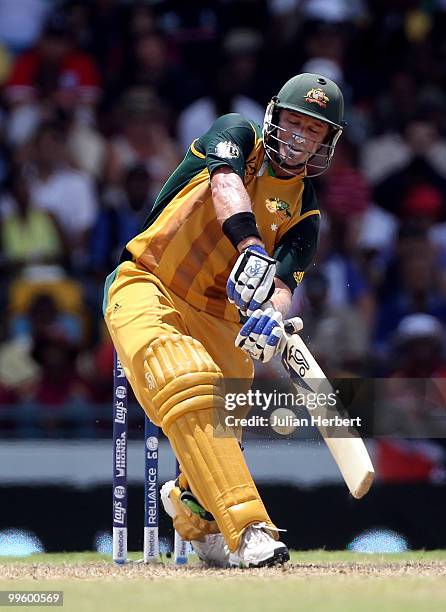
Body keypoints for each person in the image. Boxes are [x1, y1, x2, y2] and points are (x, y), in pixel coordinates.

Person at [103, 73, 345, 567]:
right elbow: (225, 183)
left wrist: (274, 320)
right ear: (275, 116)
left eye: (313, 130)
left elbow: (282, 287)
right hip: (149, 283)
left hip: (221, 321)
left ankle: (201, 522)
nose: (299, 136)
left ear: (327, 142)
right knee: (189, 379)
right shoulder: (237, 134)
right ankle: (250, 527)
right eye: (294, 121)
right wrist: (252, 245)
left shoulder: (306, 214)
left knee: (222, 423)